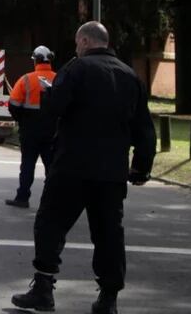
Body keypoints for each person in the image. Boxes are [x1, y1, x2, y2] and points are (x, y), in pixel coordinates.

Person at [11, 22, 155, 314]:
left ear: (86, 41)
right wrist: (140, 168)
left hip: (72, 166)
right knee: (109, 235)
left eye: (78, 43)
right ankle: (108, 299)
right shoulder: (131, 77)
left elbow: (54, 108)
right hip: (111, 172)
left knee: (51, 223)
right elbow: (144, 129)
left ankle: (43, 288)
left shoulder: (76, 70)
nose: (76, 48)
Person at [5, 45, 57, 208]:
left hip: (30, 131)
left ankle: (22, 197)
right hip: (53, 132)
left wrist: (22, 120)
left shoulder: (26, 79)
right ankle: (52, 201)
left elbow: (13, 104)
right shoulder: (59, 79)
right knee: (52, 168)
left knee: (27, 165)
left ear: (35, 61)